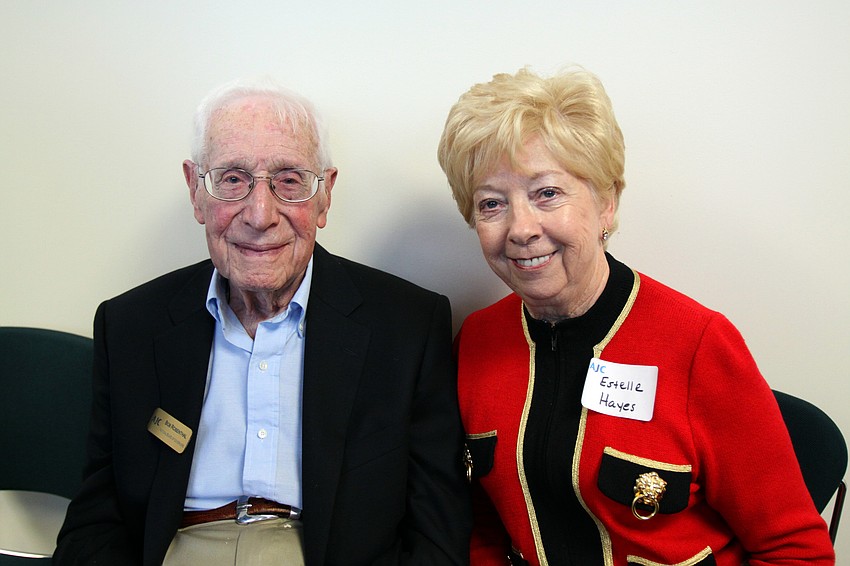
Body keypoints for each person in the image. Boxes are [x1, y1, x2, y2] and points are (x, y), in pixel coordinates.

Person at [54, 78, 471, 565]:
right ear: (195, 190)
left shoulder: (408, 326)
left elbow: (437, 530)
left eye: (289, 180)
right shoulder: (129, 326)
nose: (260, 214)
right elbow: (97, 516)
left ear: (325, 196)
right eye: (232, 179)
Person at [436, 67, 835, 565]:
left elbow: (795, 549)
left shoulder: (697, 344)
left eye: (547, 193)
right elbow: (482, 524)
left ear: (607, 202)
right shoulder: (476, 340)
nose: (521, 228)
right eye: (492, 204)